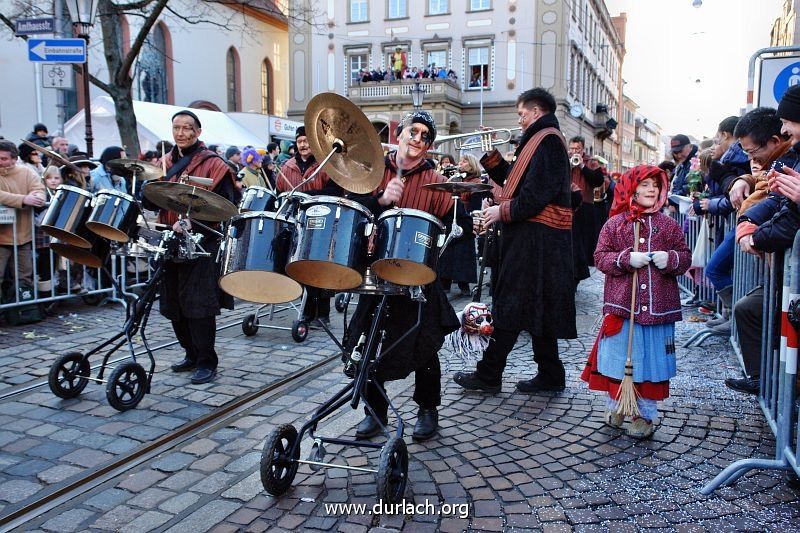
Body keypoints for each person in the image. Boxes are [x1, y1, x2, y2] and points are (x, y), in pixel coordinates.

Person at [346, 110, 464, 441]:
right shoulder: (374, 170)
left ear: (429, 146)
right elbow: (353, 207)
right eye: (414, 132)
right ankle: (375, 411)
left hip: (417, 274)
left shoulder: (435, 180)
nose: (418, 139)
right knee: (368, 340)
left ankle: (428, 410)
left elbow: (461, 223)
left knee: (424, 344)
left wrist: (461, 216)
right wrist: (380, 199)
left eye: (426, 136)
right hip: (374, 269)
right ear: (400, 134)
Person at [454, 87, 576, 394]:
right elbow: (515, 182)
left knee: (509, 305)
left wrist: (501, 211)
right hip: (537, 240)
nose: (518, 120)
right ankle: (550, 374)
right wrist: (490, 155)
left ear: (536, 112)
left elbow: (533, 197)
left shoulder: (546, 141)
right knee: (538, 306)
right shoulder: (540, 140)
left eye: (521, 114)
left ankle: (489, 374)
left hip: (535, 240)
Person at [581, 165, 691, 438]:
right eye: (644, 184)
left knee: (650, 363)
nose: (651, 189)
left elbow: (685, 256)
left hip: (658, 309)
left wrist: (672, 259)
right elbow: (600, 257)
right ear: (631, 188)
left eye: (655, 184)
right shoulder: (615, 224)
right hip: (622, 307)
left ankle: (645, 414)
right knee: (619, 359)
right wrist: (624, 259)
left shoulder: (669, 225)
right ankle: (617, 405)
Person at [144, 110, 239, 385]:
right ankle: (190, 353)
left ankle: (207, 360)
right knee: (173, 302)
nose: (181, 133)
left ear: (197, 132)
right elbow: (153, 202)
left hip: (202, 241)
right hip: (169, 240)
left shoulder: (214, 164)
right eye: (176, 127)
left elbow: (224, 204)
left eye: (187, 128)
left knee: (198, 305)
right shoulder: (165, 162)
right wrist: (145, 188)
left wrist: (191, 224)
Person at [278, 126, 343, 328]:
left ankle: (323, 314)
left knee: (320, 267)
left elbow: (336, 190)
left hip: (322, 222)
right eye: (300, 141)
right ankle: (305, 312)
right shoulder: (287, 166)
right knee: (299, 267)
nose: (303, 145)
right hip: (297, 222)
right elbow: (280, 190)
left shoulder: (326, 164)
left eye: (307, 141)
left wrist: (311, 194)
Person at [0, 141, 47, 290]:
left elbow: (40, 191)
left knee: (24, 278)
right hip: (1, 237)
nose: (0, 162)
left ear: (14, 159)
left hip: (23, 237)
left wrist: (37, 196)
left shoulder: (26, 172)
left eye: (3, 159)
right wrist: (23, 199)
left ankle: (23, 311)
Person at [438, 153, 482, 296]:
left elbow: (474, 206)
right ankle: (445, 281)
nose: (460, 163)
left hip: (465, 218)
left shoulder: (475, 181)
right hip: (453, 216)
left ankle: (464, 283)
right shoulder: (456, 178)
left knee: (463, 245)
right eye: (461, 161)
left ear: (471, 165)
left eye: (464, 161)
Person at [568, 135, 605, 285]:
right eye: (572, 148)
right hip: (568, 206)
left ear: (583, 149)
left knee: (582, 242)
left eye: (577, 148)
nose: (574, 151)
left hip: (585, 207)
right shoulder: (564, 159)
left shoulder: (591, 162)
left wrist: (582, 166)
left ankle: (578, 274)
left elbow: (598, 181)